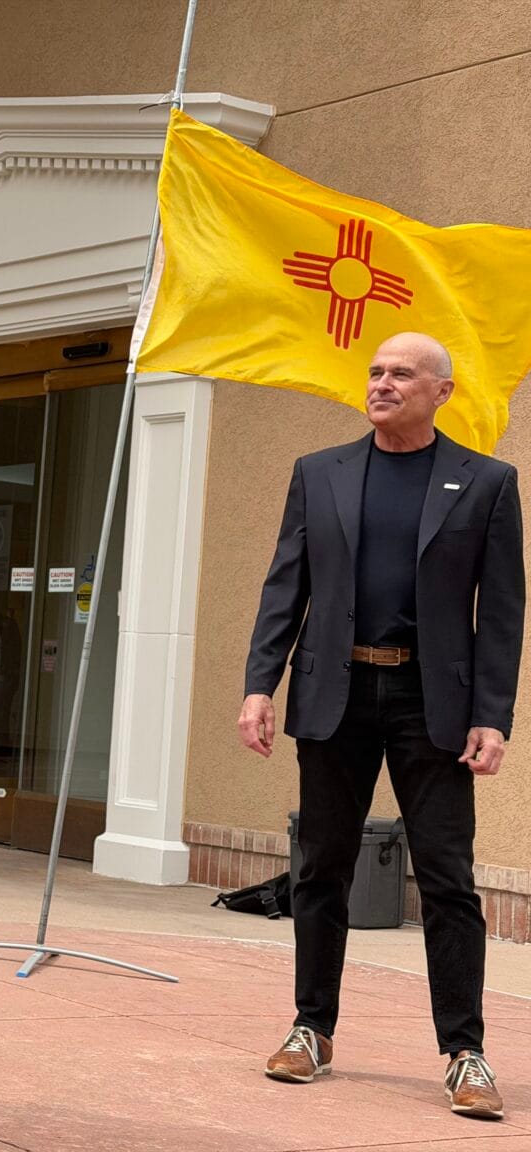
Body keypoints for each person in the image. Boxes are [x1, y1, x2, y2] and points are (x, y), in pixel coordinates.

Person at [238, 332, 524, 1120]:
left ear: (442, 391)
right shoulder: (319, 473)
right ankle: (311, 1030)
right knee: (319, 869)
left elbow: (501, 613)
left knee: (446, 880)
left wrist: (492, 717)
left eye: (402, 373)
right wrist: (259, 684)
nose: (382, 383)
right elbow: (283, 588)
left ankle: (465, 1052)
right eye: (375, 372)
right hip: (335, 690)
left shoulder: (487, 483)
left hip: (432, 703)